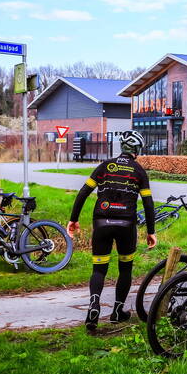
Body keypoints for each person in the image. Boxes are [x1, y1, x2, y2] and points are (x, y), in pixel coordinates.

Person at [67, 130, 156, 333]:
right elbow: (148, 204)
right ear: (137, 150)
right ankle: (117, 312)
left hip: (101, 223)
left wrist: (73, 219)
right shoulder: (139, 171)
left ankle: (94, 307)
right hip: (126, 226)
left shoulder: (105, 166)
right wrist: (151, 231)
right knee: (125, 269)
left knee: (99, 269)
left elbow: (83, 193)